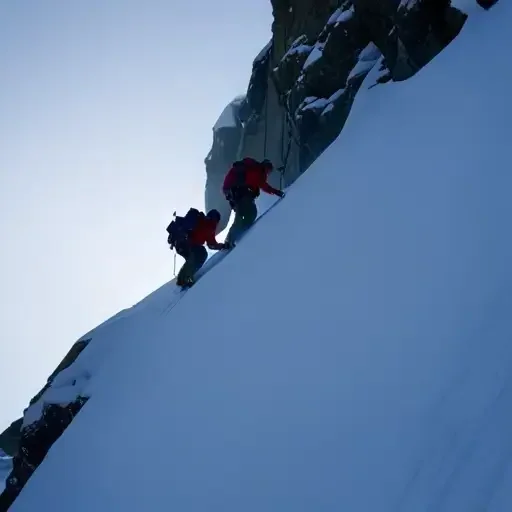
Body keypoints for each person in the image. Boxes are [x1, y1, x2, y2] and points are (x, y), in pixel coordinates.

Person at [222, 158, 285, 244]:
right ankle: (233, 238)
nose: (268, 173)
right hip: (242, 194)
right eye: (269, 170)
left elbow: (261, 185)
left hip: (235, 194)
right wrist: (276, 192)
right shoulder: (258, 172)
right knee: (250, 213)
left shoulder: (252, 169)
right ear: (265, 167)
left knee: (242, 215)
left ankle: (232, 238)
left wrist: (227, 192)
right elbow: (263, 185)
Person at [167, 208, 231, 289]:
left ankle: (183, 278)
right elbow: (211, 244)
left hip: (180, 243)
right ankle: (185, 278)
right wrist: (223, 246)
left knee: (192, 258)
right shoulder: (210, 224)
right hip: (187, 242)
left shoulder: (200, 219)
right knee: (201, 254)